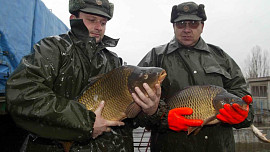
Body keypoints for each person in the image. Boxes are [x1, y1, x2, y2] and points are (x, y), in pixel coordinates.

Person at [6, 0, 160, 151]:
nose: (98, 27)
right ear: (74, 19)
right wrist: (85, 122)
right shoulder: (52, 48)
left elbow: (128, 117)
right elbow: (22, 95)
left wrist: (149, 110)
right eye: (92, 20)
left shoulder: (114, 62)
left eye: (103, 22)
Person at [134, 2, 254, 152]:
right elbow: (134, 105)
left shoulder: (221, 57)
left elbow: (243, 98)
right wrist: (162, 118)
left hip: (219, 147)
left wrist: (244, 114)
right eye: (181, 24)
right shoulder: (155, 57)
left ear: (202, 26)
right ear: (173, 27)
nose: (186, 29)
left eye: (193, 24)